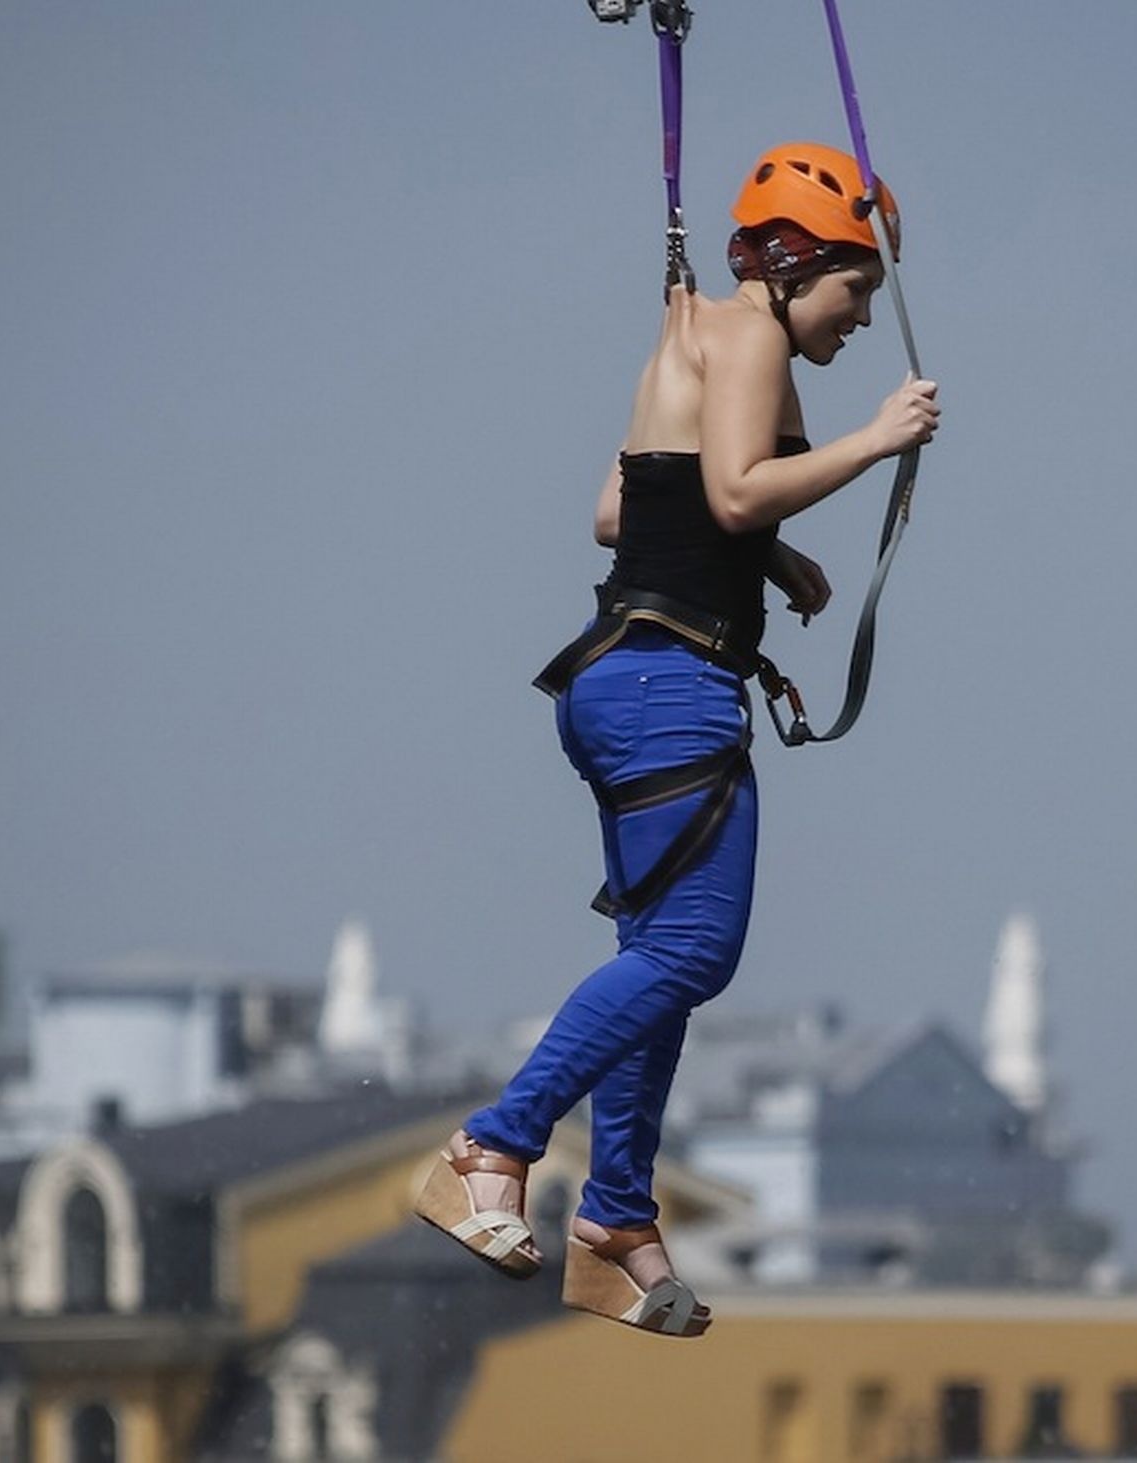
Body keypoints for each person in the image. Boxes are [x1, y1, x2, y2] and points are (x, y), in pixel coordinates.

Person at [411, 141, 939, 1337]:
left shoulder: (688, 330)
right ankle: (492, 1145)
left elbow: (622, 510)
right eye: (856, 288)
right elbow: (738, 490)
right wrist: (876, 438)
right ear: (797, 265)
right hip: (667, 685)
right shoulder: (750, 337)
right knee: (693, 951)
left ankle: (614, 1216)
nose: (862, 317)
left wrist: (771, 556)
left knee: (661, 958)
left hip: (625, 676)